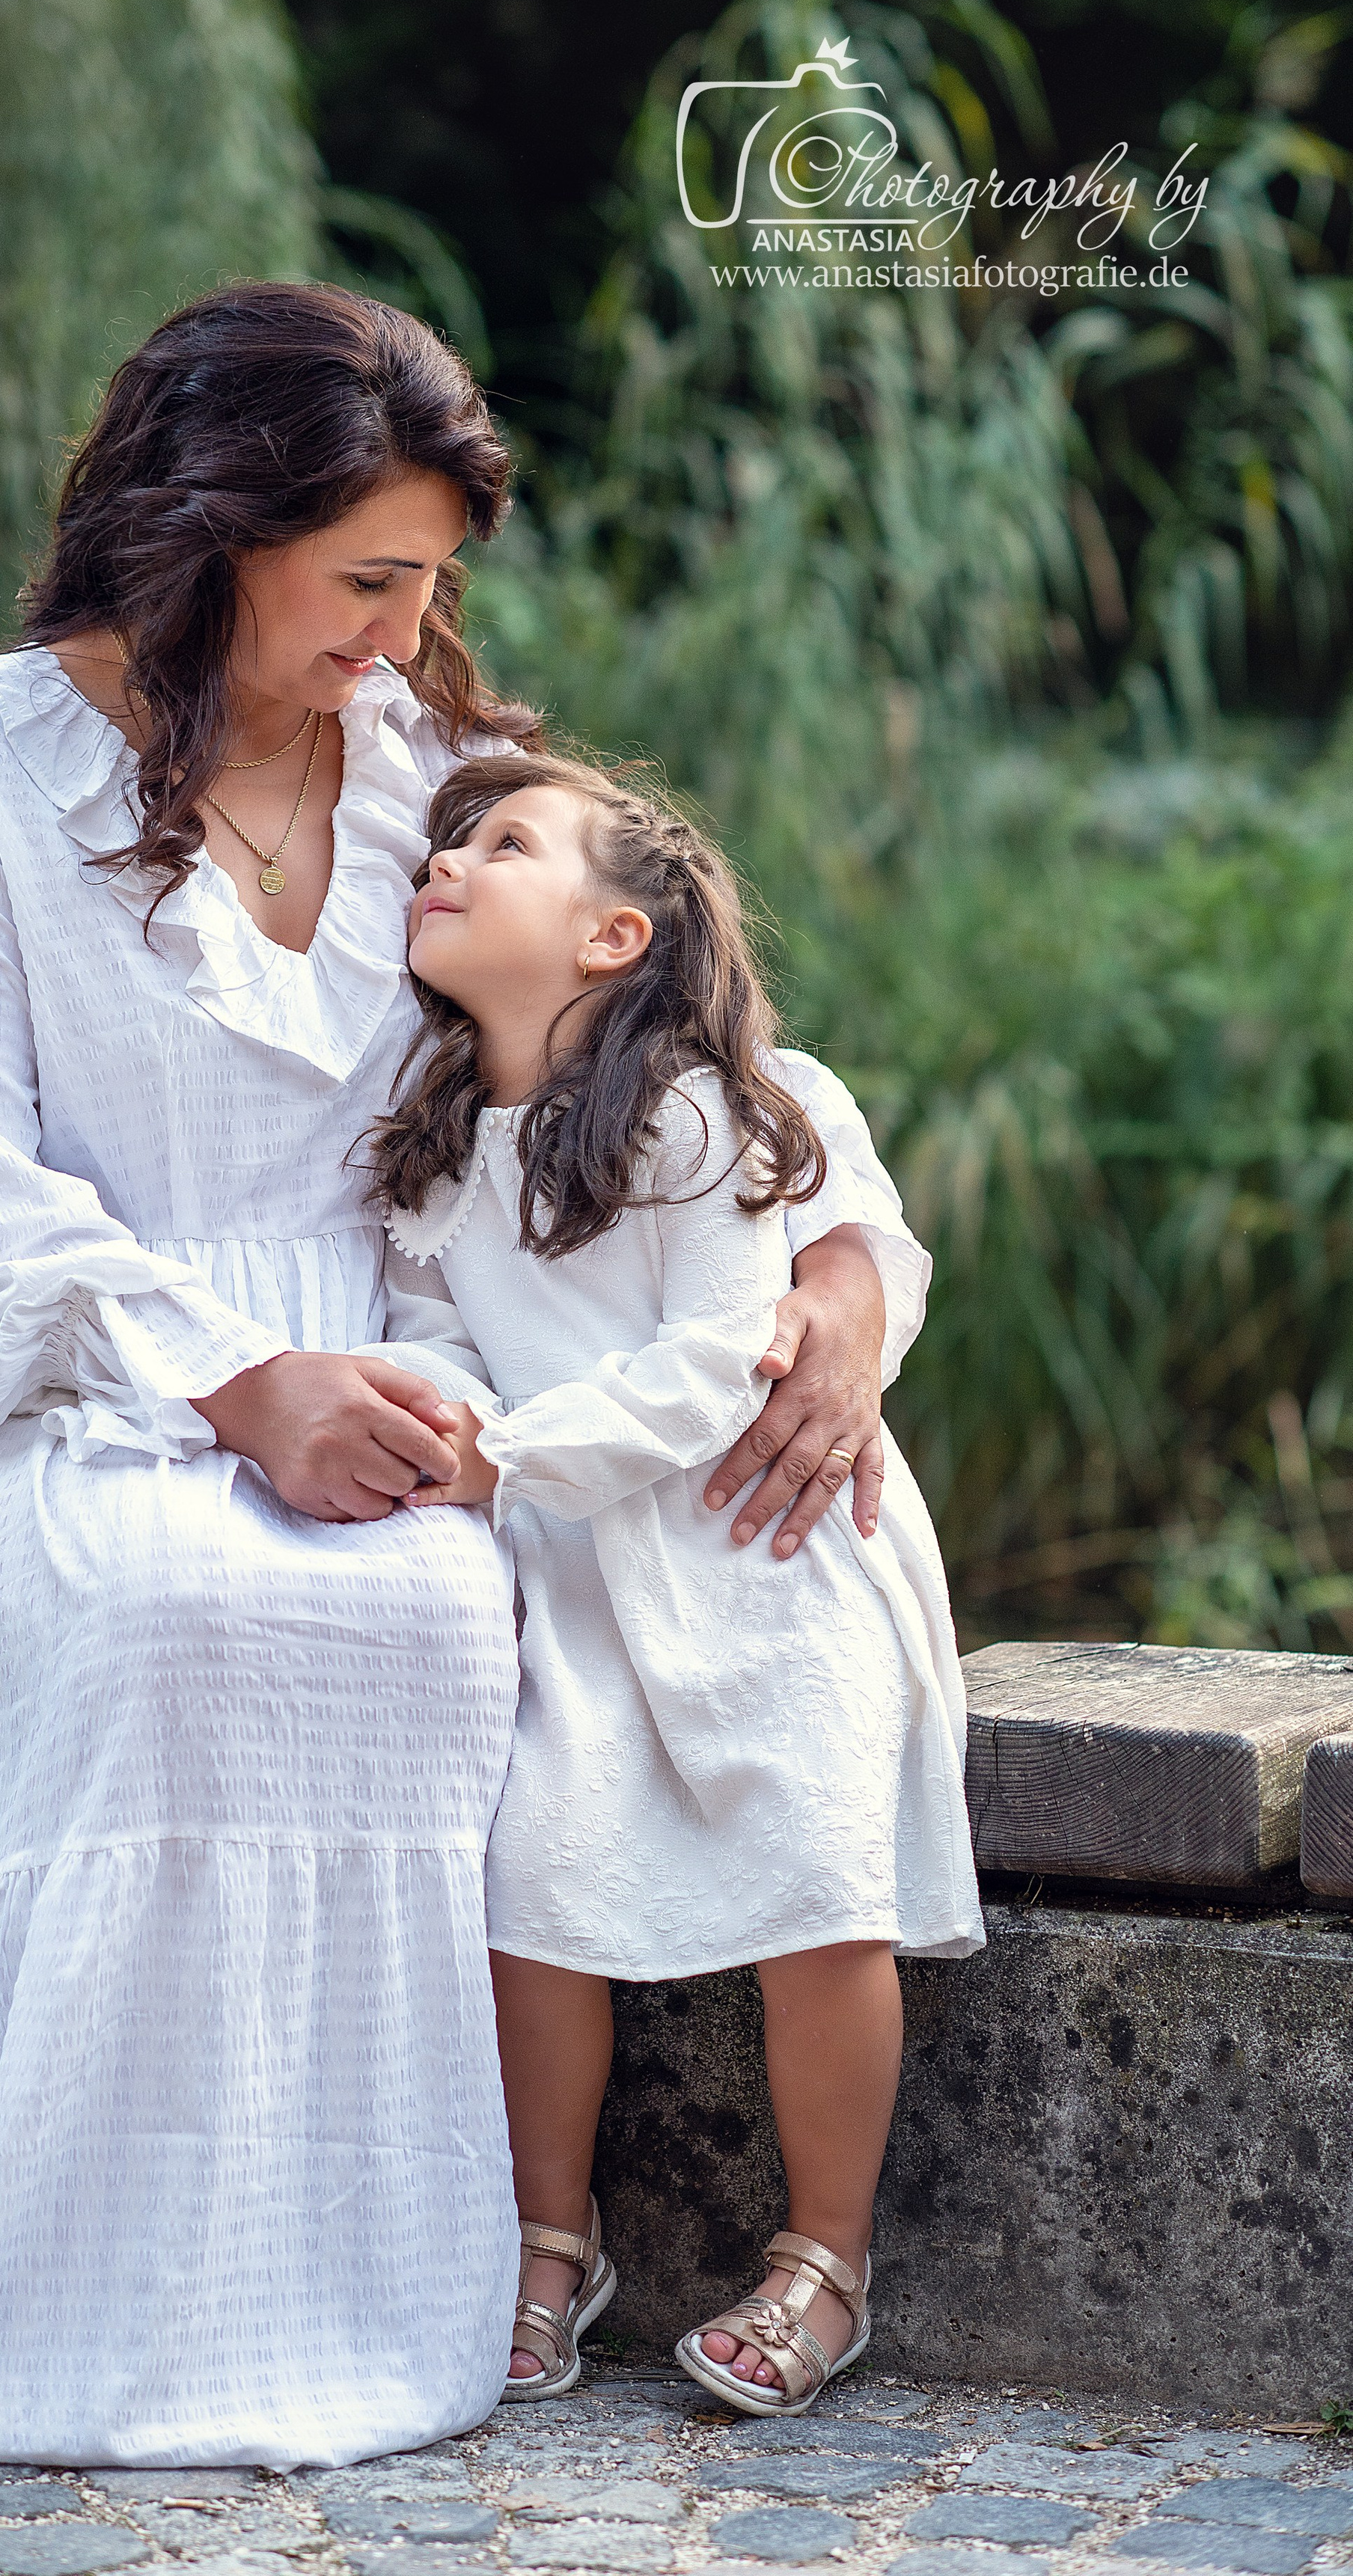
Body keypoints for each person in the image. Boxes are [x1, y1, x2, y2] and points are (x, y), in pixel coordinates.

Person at [0, 284, 902, 2467]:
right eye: (369, 580)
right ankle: (59, 2289)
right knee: (174, 1607)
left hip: (392, 1373)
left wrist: (844, 1274)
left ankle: (349, 2282)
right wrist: (231, 1382)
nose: (405, 634)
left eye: (431, 587)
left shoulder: (425, 788)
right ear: (208, 531)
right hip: (40, 1389)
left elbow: (694, 1052)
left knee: (422, 1611)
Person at [367, 749, 983, 2415]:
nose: (446, 860)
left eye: (502, 844)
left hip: (764, 1550)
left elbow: (724, 1361)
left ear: (610, 936)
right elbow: (429, 1348)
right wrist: (454, 1434)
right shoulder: (430, 1157)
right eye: (445, 840)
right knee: (533, 1885)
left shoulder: (694, 1115)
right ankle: (544, 2242)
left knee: (811, 1881)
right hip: (575, 1575)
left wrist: (500, 1455)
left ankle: (823, 2259)